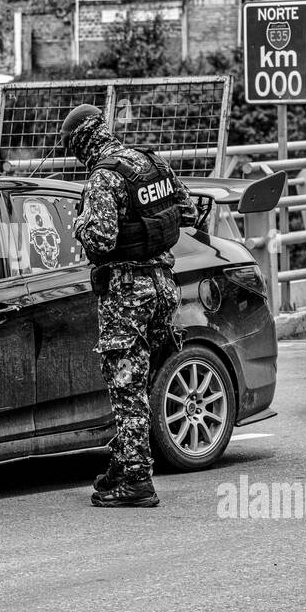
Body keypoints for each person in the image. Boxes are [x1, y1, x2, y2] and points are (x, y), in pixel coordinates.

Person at [61, 104, 209, 508]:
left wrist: (77, 221)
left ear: (79, 144)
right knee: (137, 382)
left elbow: (101, 239)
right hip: (164, 286)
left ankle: (137, 480)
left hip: (127, 294)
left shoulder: (102, 178)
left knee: (127, 386)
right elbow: (189, 210)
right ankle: (123, 463)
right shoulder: (149, 161)